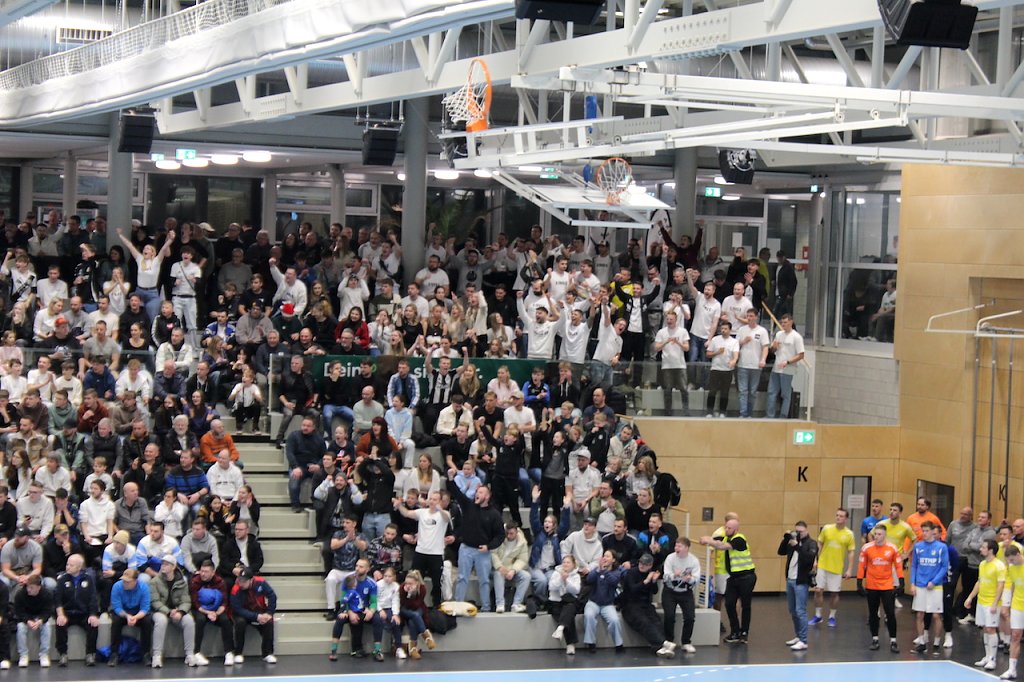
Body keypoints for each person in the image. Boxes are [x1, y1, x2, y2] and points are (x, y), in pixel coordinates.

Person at [448, 476, 503, 613]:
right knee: (462, 578)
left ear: (487, 496)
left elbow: (500, 535)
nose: (478, 494)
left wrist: (489, 546)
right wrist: (450, 479)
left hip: (482, 551)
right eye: (477, 492)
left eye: (481, 492)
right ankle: (458, 605)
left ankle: (486, 607)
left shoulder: (494, 514)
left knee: (484, 580)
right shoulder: (468, 506)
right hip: (466, 548)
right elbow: (457, 493)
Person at [702, 517, 756, 644]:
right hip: (733, 577)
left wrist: (709, 541)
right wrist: (706, 539)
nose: (726, 529)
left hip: (746, 577)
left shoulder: (739, 539)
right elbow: (716, 540)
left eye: (729, 528)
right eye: (726, 527)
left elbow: (722, 546)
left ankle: (744, 632)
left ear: (736, 530)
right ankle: (735, 631)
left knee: (746, 605)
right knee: (729, 603)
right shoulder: (725, 537)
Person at [393, 491, 450, 607]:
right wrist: (399, 506)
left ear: (440, 501)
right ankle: (414, 603)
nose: (432, 501)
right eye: (431, 499)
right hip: (420, 552)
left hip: (436, 554)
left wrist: (439, 509)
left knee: (436, 582)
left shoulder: (444, 514)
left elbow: (446, 518)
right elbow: (407, 513)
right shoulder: (422, 512)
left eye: (435, 499)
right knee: (415, 580)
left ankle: (436, 605)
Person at [621, 552, 677, 657]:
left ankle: (660, 648)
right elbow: (632, 589)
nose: (642, 566)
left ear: (650, 566)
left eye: (645, 564)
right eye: (641, 563)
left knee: (657, 621)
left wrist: (654, 581)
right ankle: (664, 644)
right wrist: (646, 581)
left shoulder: (650, 574)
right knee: (644, 622)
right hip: (631, 605)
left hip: (646, 605)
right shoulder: (631, 573)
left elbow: (654, 591)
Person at [857, 524, 903, 652]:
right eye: (875, 534)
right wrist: (859, 583)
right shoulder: (867, 548)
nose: (876, 536)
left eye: (879, 534)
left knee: (890, 613)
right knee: (873, 614)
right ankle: (875, 639)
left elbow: (898, 566)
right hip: (872, 585)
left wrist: (901, 582)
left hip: (887, 585)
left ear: (885, 535)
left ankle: (893, 641)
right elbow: (861, 565)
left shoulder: (892, 548)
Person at [150, 554, 198, 668]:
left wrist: (180, 612)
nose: (163, 566)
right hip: (160, 611)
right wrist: (168, 612)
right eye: (162, 564)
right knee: (161, 621)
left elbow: (186, 601)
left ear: (173, 567)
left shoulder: (182, 582)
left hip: (177, 611)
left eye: (166, 564)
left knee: (189, 621)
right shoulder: (155, 581)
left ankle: (189, 654)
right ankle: (157, 655)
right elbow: (155, 601)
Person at [909, 520, 950, 655]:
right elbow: (914, 565)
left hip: (935, 587)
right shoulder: (918, 547)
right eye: (923, 531)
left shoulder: (941, 547)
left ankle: (936, 643)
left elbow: (944, 567)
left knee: (936, 615)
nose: (924, 533)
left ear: (933, 531)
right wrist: (913, 583)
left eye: (927, 531)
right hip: (920, 584)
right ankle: (922, 642)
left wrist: (934, 581)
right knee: (919, 614)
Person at [811, 508, 856, 627]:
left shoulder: (849, 534)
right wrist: (815, 560)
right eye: (837, 515)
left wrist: (850, 569)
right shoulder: (827, 528)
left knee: (834, 594)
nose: (838, 518)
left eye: (841, 516)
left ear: (846, 518)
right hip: (823, 565)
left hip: (836, 568)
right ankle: (818, 615)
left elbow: (851, 552)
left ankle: (832, 616)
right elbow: (819, 544)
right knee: (818, 591)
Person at [776, 521, 816, 651]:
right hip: (790, 579)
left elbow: (809, 558)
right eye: (796, 531)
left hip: (801, 581)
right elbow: (780, 552)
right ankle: (798, 636)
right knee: (792, 610)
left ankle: (803, 640)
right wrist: (786, 539)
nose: (799, 534)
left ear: (806, 530)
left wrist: (797, 546)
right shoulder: (792, 543)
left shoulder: (811, 543)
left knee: (800, 611)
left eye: (801, 531)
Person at [966, 539, 1005, 671]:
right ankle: (987, 656)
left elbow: (1000, 586)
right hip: (981, 601)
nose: (980, 549)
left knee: (991, 629)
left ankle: (993, 659)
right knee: (984, 628)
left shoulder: (999, 566)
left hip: (991, 603)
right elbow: (979, 582)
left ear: (991, 550)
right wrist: (970, 597)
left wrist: (995, 603)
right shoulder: (982, 564)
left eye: (983, 547)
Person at [189, 559, 233, 666]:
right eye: (202, 571)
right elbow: (195, 604)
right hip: (201, 610)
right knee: (200, 620)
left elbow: (224, 602)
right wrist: (208, 612)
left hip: (216, 610)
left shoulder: (220, 582)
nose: (203, 574)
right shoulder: (195, 582)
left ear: (213, 572)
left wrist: (216, 613)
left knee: (225, 620)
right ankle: (196, 652)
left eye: (206, 571)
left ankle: (229, 652)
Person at [229, 568, 277, 664]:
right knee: (240, 623)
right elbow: (237, 609)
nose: (241, 583)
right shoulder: (235, 589)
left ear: (251, 580)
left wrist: (269, 613)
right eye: (240, 580)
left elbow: (272, 596)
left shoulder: (261, 582)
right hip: (242, 613)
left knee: (269, 622)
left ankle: (267, 653)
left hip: (257, 610)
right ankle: (238, 653)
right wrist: (256, 617)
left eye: (244, 581)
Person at [107, 568, 153, 667]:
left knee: (147, 621)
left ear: (135, 581)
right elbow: (116, 606)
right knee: (116, 621)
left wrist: (135, 617)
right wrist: (127, 616)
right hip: (123, 612)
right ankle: (114, 653)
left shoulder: (144, 588)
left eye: (128, 582)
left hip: (138, 612)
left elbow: (145, 608)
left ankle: (146, 654)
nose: (125, 583)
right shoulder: (117, 586)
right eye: (124, 581)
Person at [582, 549, 624, 653]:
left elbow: (614, 581)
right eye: (604, 556)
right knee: (589, 616)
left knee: (614, 620)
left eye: (608, 556)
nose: (605, 558)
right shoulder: (596, 570)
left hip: (607, 604)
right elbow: (589, 580)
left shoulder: (617, 572)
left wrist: (604, 571)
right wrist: (598, 570)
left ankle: (619, 644)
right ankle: (591, 643)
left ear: (613, 560)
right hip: (593, 602)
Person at [765, 313, 804, 418]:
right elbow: (773, 351)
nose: (783, 324)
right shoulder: (779, 334)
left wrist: (788, 362)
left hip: (788, 369)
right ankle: (770, 416)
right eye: (782, 322)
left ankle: (783, 416)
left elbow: (801, 355)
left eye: (785, 322)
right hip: (776, 368)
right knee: (771, 392)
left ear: (791, 322)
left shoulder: (796, 337)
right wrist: (774, 347)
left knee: (785, 394)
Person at [286, 416, 326, 513]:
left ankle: (317, 503)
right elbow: (289, 453)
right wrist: (295, 467)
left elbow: (324, 456)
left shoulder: (319, 439)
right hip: (298, 466)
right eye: (303, 425)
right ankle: (295, 505)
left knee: (322, 478)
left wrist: (319, 465)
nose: (305, 428)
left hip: (314, 466)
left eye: (308, 426)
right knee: (294, 481)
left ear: (313, 427)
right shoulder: (293, 436)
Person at [14, 573, 52, 668]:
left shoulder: (47, 594)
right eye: (28, 587)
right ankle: (23, 655)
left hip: (40, 616)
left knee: (47, 626)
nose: (28, 590)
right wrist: (28, 620)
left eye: (31, 588)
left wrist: (40, 621)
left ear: (38, 587)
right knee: (20, 627)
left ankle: (44, 654)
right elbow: (18, 612)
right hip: (26, 617)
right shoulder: (20, 594)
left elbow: (48, 611)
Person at [491, 521, 530, 614]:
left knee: (526, 576)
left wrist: (513, 570)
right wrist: (499, 567)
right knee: (498, 574)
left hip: (511, 568)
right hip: (495, 568)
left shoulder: (522, 542)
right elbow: (492, 553)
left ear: (516, 532)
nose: (508, 536)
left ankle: (516, 604)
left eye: (511, 533)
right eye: (507, 533)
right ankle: (500, 604)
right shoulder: (499, 537)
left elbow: (522, 559)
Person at [1000, 545, 1024, 679]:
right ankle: (1011, 670)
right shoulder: (1011, 567)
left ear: (1018, 555)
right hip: (1018, 605)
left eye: (1012, 560)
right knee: (1015, 636)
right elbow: (1012, 585)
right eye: (1008, 560)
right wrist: (1007, 604)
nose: (1011, 563)